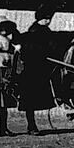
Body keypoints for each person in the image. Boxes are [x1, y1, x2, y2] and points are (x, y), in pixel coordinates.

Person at [16, 8, 58, 136]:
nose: (48, 21)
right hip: (32, 71)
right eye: (46, 19)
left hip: (41, 70)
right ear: (40, 19)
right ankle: (31, 126)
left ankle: (32, 125)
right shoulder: (33, 33)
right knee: (30, 100)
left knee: (33, 99)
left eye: (49, 18)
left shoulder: (44, 32)